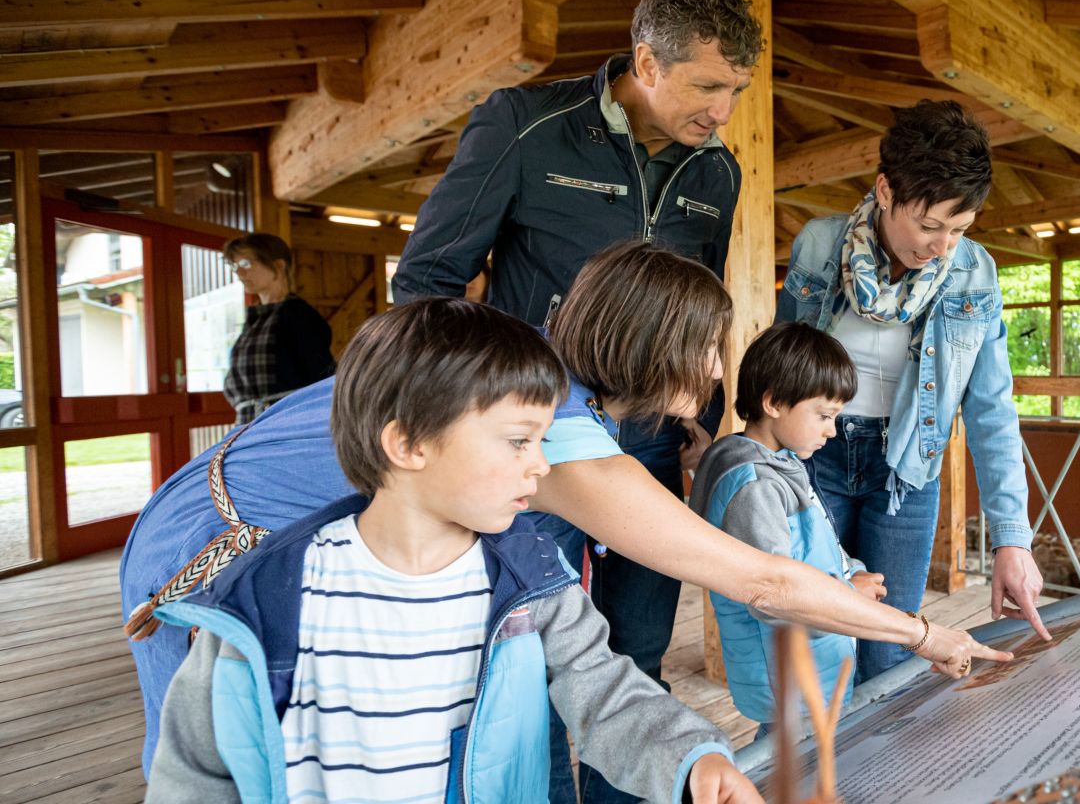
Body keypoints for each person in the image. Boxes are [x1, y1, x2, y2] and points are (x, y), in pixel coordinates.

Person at [121, 242, 1006, 785]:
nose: (708, 374)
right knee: (236, 760)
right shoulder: (547, 433)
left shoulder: (535, 399)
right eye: (702, 347)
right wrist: (924, 634)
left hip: (258, 518)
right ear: (652, 342)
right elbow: (763, 580)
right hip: (218, 545)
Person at [144, 299, 759, 803]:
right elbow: (196, 773)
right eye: (519, 441)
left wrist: (691, 756)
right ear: (409, 443)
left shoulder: (532, 585)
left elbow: (604, 691)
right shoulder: (261, 602)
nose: (543, 464)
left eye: (542, 439)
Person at [390, 0, 763, 760]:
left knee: (638, 650)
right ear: (647, 63)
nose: (722, 112)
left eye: (737, 89)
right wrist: (486, 416)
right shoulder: (525, 126)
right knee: (533, 657)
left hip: (652, 439)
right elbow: (426, 283)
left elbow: (700, 305)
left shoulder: (717, 172)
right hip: (535, 445)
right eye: (706, 86)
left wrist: (706, 419)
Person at [778, 100, 1053, 682]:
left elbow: (991, 410)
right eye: (929, 225)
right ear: (885, 190)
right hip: (812, 461)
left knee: (890, 652)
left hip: (907, 473)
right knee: (811, 645)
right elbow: (780, 374)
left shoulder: (974, 274)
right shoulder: (819, 247)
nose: (941, 246)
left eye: (959, 229)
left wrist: (1012, 539)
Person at [690, 322, 895, 734]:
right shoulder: (756, 487)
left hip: (808, 664)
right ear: (774, 402)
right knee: (790, 766)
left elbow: (816, 543)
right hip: (789, 676)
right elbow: (772, 595)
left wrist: (850, 571)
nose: (831, 431)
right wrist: (847, 593)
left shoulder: (780, 465)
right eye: (823, 415)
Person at [220, 233, 334, 424]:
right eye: (235, 266)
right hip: (251, 425)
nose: (240, 273)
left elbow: (322, 376)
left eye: (247, 264)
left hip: (287, 425)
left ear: (279, 266)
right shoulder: (255, 320)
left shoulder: (298, 315)